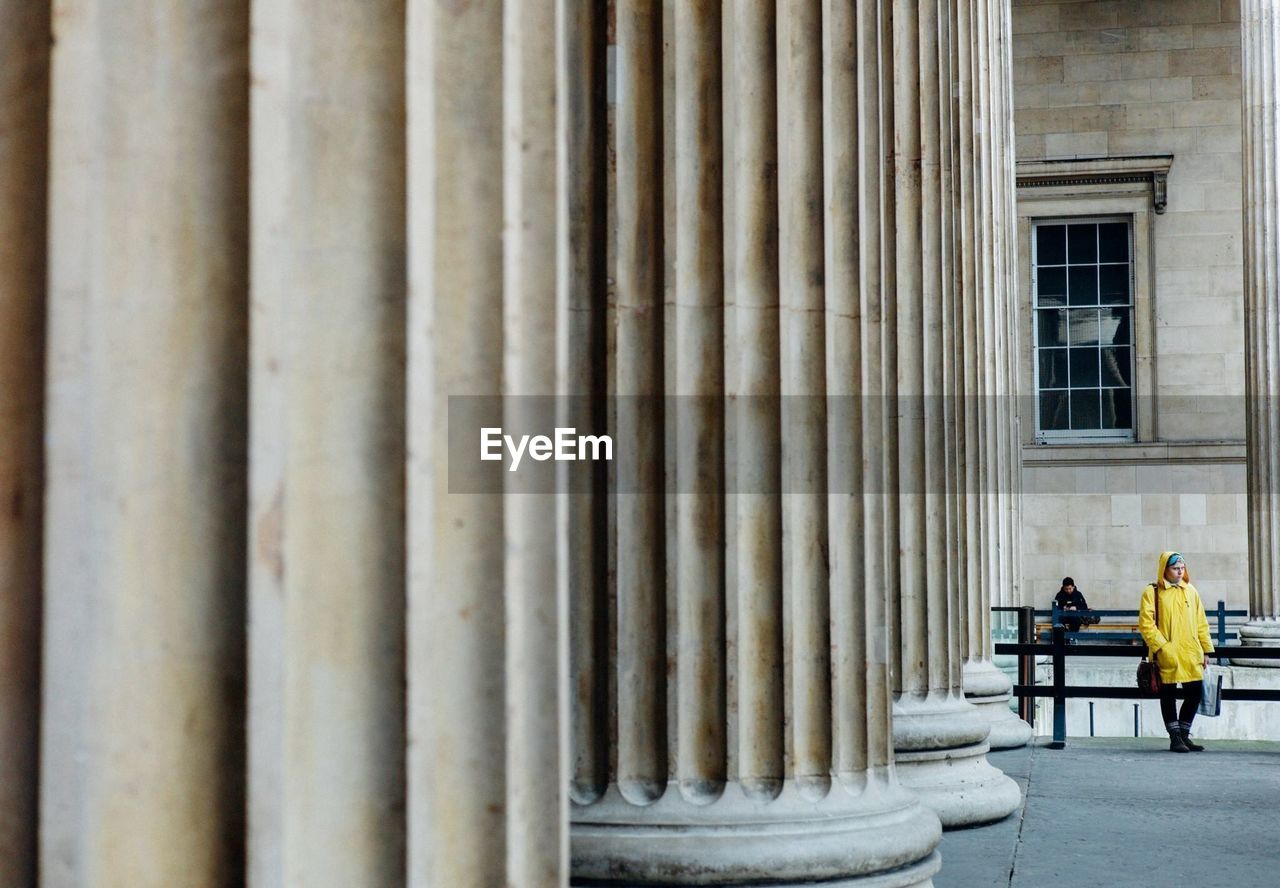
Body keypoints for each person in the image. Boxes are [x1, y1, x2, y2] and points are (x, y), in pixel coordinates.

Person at [1138, 552, 1215, 753]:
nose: (1180, 571)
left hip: (1190, 653)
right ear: (1165, 569)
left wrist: (1206, 649)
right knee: (1168, 694)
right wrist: (1163, 646)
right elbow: (1146, 624)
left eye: (1182, 567)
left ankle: (1183, 733)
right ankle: (1175, 738)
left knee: (1195, 693)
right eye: (1175, 568)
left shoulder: (1191, 591)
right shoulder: (1152, 592)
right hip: (1167, 654)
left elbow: (1201, 623)